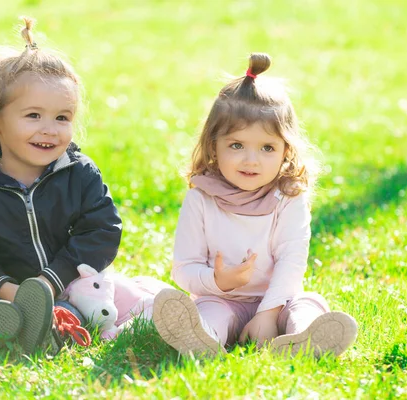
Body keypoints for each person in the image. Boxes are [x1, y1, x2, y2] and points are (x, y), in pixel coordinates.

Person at [0, 17, 122, 354]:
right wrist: (7, 289)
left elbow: (103, 231)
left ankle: (52, 331)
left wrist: (50, 280)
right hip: (0, 291)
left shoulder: (80, 174)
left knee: (72, 312)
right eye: (33, 116)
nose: (50, 129)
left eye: (62, 117)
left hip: (68, 287)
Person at [152, 53, 357, 358]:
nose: (251, 160)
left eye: (267, 147)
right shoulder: (201, 197)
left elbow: (292, 259)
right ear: (213, 146)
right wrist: (217, 281)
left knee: (307, 303)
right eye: (236, 145)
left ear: (286, 150)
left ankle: (304, 338)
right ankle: (202, 340)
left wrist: (269, 313)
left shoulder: (288, 196)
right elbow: (183, 268)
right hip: (220, 299)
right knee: (209, 312)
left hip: (278, 299)